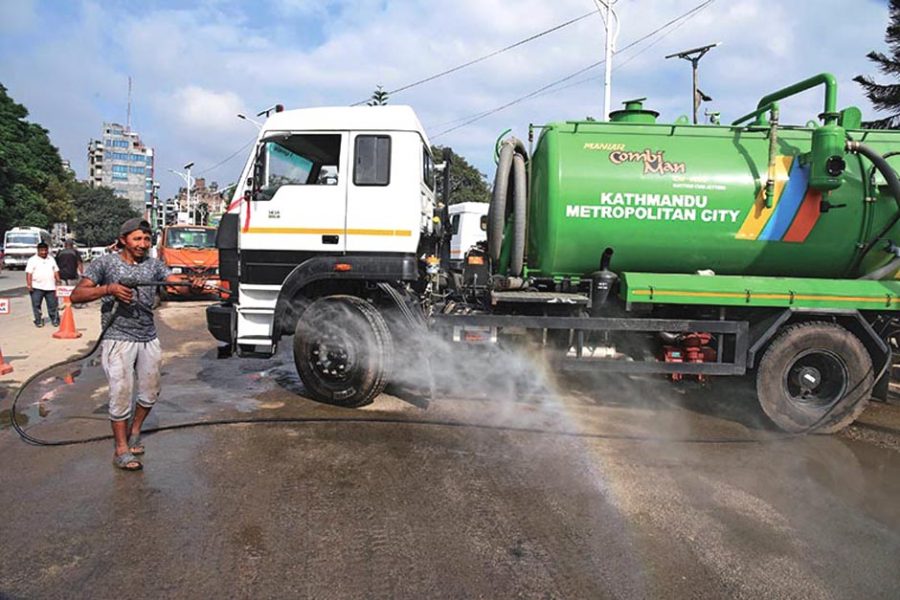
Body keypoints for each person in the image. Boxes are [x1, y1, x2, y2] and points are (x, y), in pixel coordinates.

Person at [71, 218, 203, 471]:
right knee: (121, 393)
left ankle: (135, 430)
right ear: (123, 240)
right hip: (118, 337)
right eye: (137, 239)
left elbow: (175, 284)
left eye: (147, 239)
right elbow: (77, 295)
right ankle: (121, 449)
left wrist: (192, 286)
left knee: (151, 392)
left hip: (148, 336)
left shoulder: (154, 265)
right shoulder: (106, 263)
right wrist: (109, 289)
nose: (143, 244)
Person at [25, 242, 60, 328]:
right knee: (36, 305)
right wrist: (29, 285)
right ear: (38, 250)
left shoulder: (51, 259)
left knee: (53, 305)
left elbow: (55, 270)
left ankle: (55, 320)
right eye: (42, 250)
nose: (44, 252)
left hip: (51, 287)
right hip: (37, 287)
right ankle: (38, 321)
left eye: (45, 250)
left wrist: (58, 281)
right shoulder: (32, 260)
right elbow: (29, 273)